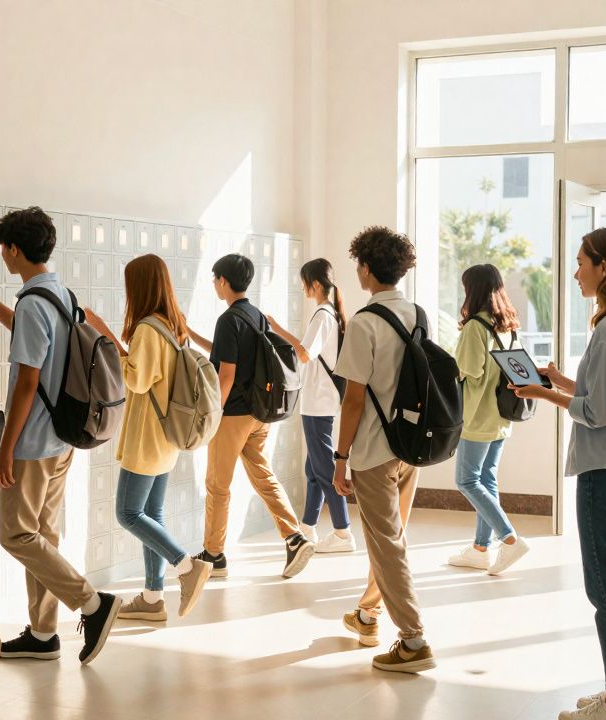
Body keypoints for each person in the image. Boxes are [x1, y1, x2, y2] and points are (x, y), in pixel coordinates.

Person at [511, 225, 606, 720]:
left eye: (581, 262)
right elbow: (604, 395)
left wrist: (542, 394)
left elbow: (596, 413)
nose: (574, 272)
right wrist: (557, 379)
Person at [0, 206, 117, 665]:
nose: (2, 256)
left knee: (17, 535)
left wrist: (5, 450)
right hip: (62, 440)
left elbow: (27, 382)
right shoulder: (58, 294)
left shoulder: (33, 303)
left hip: (31, 442)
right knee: (43, 533)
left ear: (13, 249)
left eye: (2, 249)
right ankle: (44, 633)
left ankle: (92, 603)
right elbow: (29, 336)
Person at [82, 254, 214, 621]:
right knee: (152, 513)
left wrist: (105, 335)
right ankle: (153, 598)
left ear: (138, 287)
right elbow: (150, 374)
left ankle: (186, 567)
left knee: (128, 513)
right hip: (166, 435)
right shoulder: (173, 325)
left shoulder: (146, 328)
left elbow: (136, 380)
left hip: (148, 436)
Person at [332, 226, 436, 673]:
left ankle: (413, 640)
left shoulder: (364, 323)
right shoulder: (417, 314)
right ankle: (368, 614)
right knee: (391, 539)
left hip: (374, 451)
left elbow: (354, 398)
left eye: (359, 264)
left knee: (386, 543)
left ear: (367, 269)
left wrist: (340, 458)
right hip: (411, 444)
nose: (358, 271)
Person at [187, 254, 315, 579]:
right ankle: (294, 536)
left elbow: (227, 373)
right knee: (263, 476)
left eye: (215, 279)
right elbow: (226, 351)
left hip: (233, 415)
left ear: (223, 282)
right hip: (259, 414)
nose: (215, 285)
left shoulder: (228, 319)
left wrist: (213, 412)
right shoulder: (255, 316)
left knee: (217, 485)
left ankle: (214, 555)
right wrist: (190, 334)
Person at [266, 258, 355, 553]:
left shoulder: (322, 315)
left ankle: (343, 533)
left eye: (304, 282)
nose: (303, 287)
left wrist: (276, 328)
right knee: (313, 469)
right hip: (321, 399)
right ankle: (308, 527)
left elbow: (304, 354)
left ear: (315, 284)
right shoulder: (330, 313)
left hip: (318, 401)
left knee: (324, 468)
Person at [448, 264, 530, 574]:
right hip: (500, 417)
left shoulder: (475, 328)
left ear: (474, 290)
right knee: (486, 479)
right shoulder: (507, 326)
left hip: (477, 418)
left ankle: (509, 539)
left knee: (466, 480)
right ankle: (481, 549)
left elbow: (468, 371)